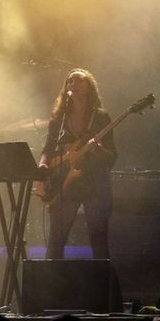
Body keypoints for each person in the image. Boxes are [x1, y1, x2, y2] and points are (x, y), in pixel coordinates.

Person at [37, 68, 116, 260]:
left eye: (79, 81)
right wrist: (42, 167)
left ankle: (103, 287)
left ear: (89, 87)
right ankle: (51, 287)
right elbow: (47, 149)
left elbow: (112, 157)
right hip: (65, 183)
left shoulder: (100, 118)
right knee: (56, 240)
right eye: (70, 82)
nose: (73, 84)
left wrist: (98, 150)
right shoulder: (58, 120)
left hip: (94, 183)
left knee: (98, 241)